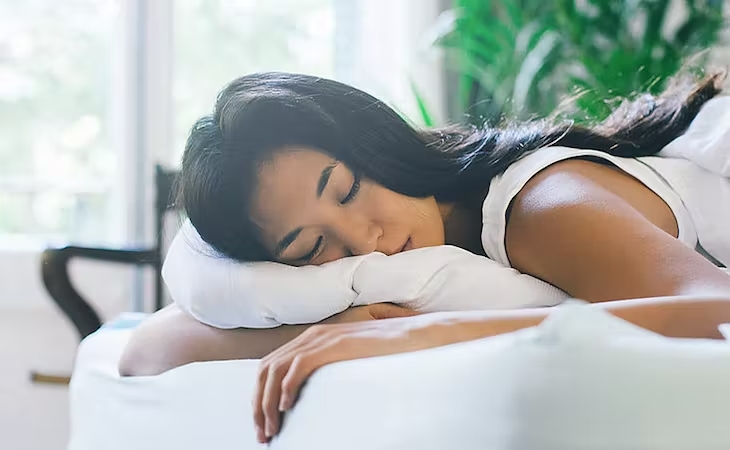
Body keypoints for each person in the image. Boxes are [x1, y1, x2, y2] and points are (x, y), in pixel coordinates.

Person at [119, 71, 730, 443]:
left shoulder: (539, 206)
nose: (365, 242)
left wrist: (418, 334)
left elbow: (716, 309)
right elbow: (150, 350)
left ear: (376, 140)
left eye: (348, 190)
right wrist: (331, 323)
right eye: (312, 248)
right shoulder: (433, 248)